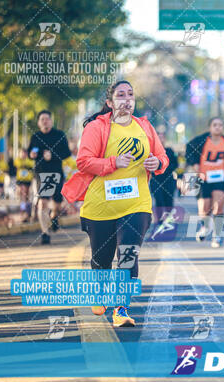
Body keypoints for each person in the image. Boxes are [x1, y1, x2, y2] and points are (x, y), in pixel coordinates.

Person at [62, 80, 169, 327]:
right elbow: (84, 162)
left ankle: (121, 309)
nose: (127, 99)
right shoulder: (96, 127)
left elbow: (162, 156)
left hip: (137, 204)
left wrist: (157, 163)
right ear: (110, 103)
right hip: (102, 205)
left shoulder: (144, 126)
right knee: (102, 259)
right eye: (121, 95)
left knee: (128, 254)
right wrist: (113, 163)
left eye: (130, 94)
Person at [186, 117, 224, 248]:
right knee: (204, 209)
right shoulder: (201, 140)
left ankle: (217, 237)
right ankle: (205, 228)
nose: (218, 127)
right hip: (204, 179)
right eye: (215, 125)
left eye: (220, 125)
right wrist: (194, 163)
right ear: (210, 127)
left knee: (218, 207)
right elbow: (188, 147)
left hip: (219, 178)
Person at [28, 110, 71, 244]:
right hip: (42, 174)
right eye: (42, 119)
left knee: (57, 204)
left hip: (56, 173)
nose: (45, 121)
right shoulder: (35, 136)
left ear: (51, 121)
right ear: (39, 122)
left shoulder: (59, 135)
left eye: (47, 119)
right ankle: (45, 233)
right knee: (43, 203)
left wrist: (52, 155)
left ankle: (54, 216)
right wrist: (32, 155)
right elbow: (30, 151)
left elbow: (67, 153)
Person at [150, 131, 179, 224]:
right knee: (158, 199)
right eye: (159, 137)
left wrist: (164, 167)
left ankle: (168, 218)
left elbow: (175, 164)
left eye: (162, 137)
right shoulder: (151, 151)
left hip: (169, 179)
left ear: (165, 139)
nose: (161, 139)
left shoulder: (169, 150)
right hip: (156, 180)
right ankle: (159, 219)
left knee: (168, 199)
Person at [14, 149, 34, 222]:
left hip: (27, 180)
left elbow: (31, 166)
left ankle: (27, 212)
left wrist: (26, 166)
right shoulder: (18, 160)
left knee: (26, 195)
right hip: (20, 180)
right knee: (21, 195)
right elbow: (18, 165)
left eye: (24, 153)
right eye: (22, 153)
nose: (23, 155)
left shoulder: (29, 160)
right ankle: (23, 211)